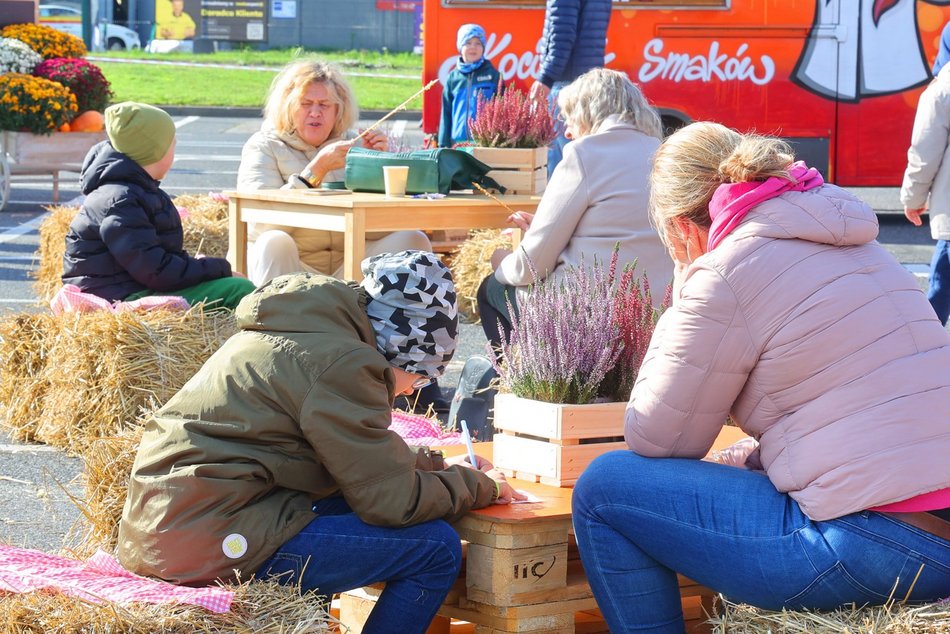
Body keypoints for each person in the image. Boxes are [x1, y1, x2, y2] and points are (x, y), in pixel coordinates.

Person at [572, 122, 950, 633]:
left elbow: (658, 437)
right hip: (934, 532)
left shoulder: (725, 270)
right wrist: (758, 456)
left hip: (876, 547)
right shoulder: (859, 245)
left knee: (604, 489)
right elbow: (858, 404)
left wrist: (685, 293)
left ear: (684, 229)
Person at [117, 251, 524, 634]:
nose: (410, 392)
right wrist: (481, 487)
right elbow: (391, 501)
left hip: (176, 525)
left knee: (342, 510)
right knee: (435, 548)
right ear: (400, 349)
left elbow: (356, 462)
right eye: (420, 377)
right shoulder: (344, 363)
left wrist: (438, 468)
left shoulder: (310, 330)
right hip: (209, 540)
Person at [477, 68, 672, 350]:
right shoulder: (662, 152)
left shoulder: (584, 153)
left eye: (569, 118)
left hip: (586, 320)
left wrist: (500, 261)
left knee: (492, 289)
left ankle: (520, 383)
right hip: (655, 316)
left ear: (588, 114)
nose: (566, 131)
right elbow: (614, 230)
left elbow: (529, 267)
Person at [236, 59, 432, 288]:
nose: (315, 113)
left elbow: (384, 228)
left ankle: (390, 322)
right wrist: (314, 173)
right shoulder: (263, 145)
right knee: (274, 242)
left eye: (324, 105)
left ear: (339, 109)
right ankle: (278, 321)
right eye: (306, 103)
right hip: (295, 264)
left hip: (349, 263)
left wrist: (379, 167)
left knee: (414, 240)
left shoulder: (355, 143)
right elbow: (259, 223)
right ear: (288, 106)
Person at [63, 102, 254, 311]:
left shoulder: (130, 192)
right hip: (121, 297)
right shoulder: (121, 201)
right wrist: (221, 269)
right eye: (172, 145)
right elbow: (157, 272)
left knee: (230, 285)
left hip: (127, 286)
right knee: (239, 289)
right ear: (155, 151)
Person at [528, 0, 612, 176]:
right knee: (581, 154)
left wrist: (546, 78)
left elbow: (562, 37)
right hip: (588, 81)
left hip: (565, 84)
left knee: (560, 158)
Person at [902, 59, 950, 325]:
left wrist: (913, 198)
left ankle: (925, 353)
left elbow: (924, 154)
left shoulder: (942, 90)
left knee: (941, 289)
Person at [438, 23, 501, 148]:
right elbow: (446, 114)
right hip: (457, 145)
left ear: (483, 47)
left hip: (484, 145)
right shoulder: (453, 78)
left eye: (478, 43)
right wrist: (443, 145)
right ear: (460, 47)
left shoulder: (493, 76)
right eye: (468, 43)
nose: (473, 47)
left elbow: (501, 111)